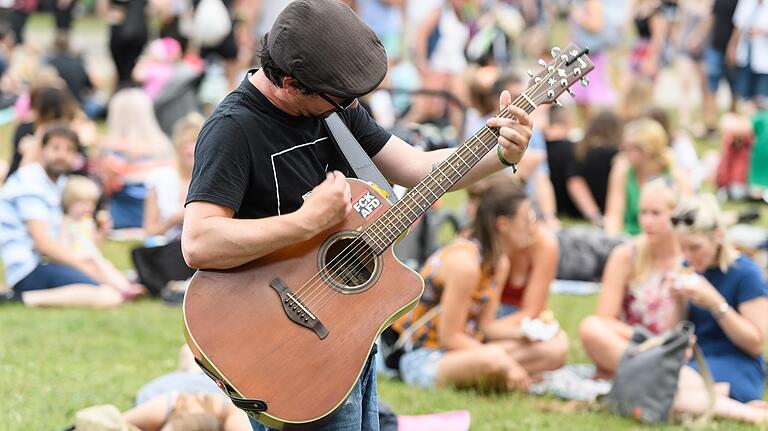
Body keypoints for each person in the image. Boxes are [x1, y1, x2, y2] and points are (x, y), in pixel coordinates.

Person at [180, 1, 533, 429]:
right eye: (341, 96)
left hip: (345, 330)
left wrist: (499, 153)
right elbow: (198, 242)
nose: (352, 103)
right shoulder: (233, 129)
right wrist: (304, 223)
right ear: (290, 82)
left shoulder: (334, 105)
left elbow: (418, 168)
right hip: (281, 344)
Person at [391, 176, 568, 391]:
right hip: (423, 357)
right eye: (527, 219)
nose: (533, 228)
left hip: (464, 350)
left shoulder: (499, 263)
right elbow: (450, 338)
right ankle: (502, 374)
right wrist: (502, 360)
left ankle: (500, 374)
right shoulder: (465, 263)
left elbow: (487, 327)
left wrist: (528, 333)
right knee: (493, 360)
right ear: (503, 224)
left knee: (556, 346)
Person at [665, 193, 768, 424]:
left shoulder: (745, 273)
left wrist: (715, 302)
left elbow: (755, 344)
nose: (689, 257)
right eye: (683, 248)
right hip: (697, 362)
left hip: (738, 364)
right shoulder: (688, 268)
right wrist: (678, 301)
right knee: (662, 387)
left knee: (668, 392)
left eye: (695, 247)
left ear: (718, 236)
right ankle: (737, 407)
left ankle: (753, 414)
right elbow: (673, 336)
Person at [0, 126, 127, 308]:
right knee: (108, 296)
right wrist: (81, 265)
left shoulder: (57, 183)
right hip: (29, 269)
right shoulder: (30, 183)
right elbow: (43, 243)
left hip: (47, 263)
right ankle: (18, 298)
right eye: (56, 148)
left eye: (69, 150)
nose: (61, 155)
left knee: (107, 280)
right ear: (42, 150)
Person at [579, 179, 680, 377]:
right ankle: (653, 374)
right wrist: (647, 340)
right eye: (643, 212)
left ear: (675, 216)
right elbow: (604, 318)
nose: (647, 221)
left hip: (674, 347)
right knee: (591, 328)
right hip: (633, 342)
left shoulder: (688, 259)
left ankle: (635, 373)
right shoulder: (626, 255)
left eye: (656, 213)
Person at [96, 88, 174, 229]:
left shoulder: (112, 149)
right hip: (159, 216)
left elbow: (106, 187)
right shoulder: (164, 147)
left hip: (122, 217)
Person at [60, 175, 143, 299]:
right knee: (101, 270)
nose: (88, 208)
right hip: (80, 260)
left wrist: (103, 232)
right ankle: (123, 289)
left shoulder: (87, 222)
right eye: (82, 204)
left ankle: (125, 286)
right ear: (68, 203)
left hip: (93, 257)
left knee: (108, 267)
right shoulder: (66, 223)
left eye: (91, 203)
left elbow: (93, 242)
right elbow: (63, 247)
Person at [604, 118, 691, 235]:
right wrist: (612, 239)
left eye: (628, 148)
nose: (623, 152)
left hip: (666, 239)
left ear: (646, 151)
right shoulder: (623, 169)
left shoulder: (674, 174)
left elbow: (687, 214)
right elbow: (613, 215)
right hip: (630, 238)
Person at [143, 112, 204, 245]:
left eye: (195, 142)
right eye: (185, 143)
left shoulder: (212, 181)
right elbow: (149, 232)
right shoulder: (160, 178)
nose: (189, 149)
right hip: (168, 247)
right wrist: (173, 220)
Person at [567, 110, 623, 225]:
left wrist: (594, 215)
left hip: (580, 213)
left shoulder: (579, 152)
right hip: (610, 210)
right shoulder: (616, 154)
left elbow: (575, 182)